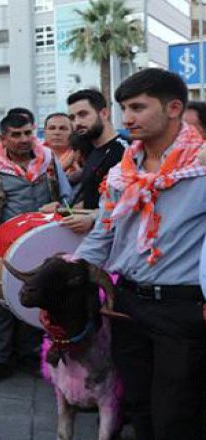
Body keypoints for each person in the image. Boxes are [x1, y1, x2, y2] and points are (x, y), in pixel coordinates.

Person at [76, 68, 206, 440]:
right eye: (122, 108)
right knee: (138, 405)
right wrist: (75, 270)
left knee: (176, 413)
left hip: (181, 309)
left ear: (173, 108)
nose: (126, 118)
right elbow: (104, 230)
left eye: (137, 107)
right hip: (127, 303)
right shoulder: (123, 171)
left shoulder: (201, 165)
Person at [0, 112, 72, 384]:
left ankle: (31, 356)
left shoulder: (49, 161)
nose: (23, 139)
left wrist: (61, 209)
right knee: (2, 302)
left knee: (38, 297)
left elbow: (67, 198)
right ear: (4, 137)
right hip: (2, 245)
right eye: (16, 135)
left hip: (43, 243)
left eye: (28, 133)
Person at [62, 89, 127, 234]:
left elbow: (130, 203)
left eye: (83, 114)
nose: (77, 123)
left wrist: (93, 217)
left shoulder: (126, 151)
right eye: (72, 118)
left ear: (104, 113)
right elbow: (92, 198)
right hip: (94, 238)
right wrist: (62, 210)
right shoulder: (91, 151)